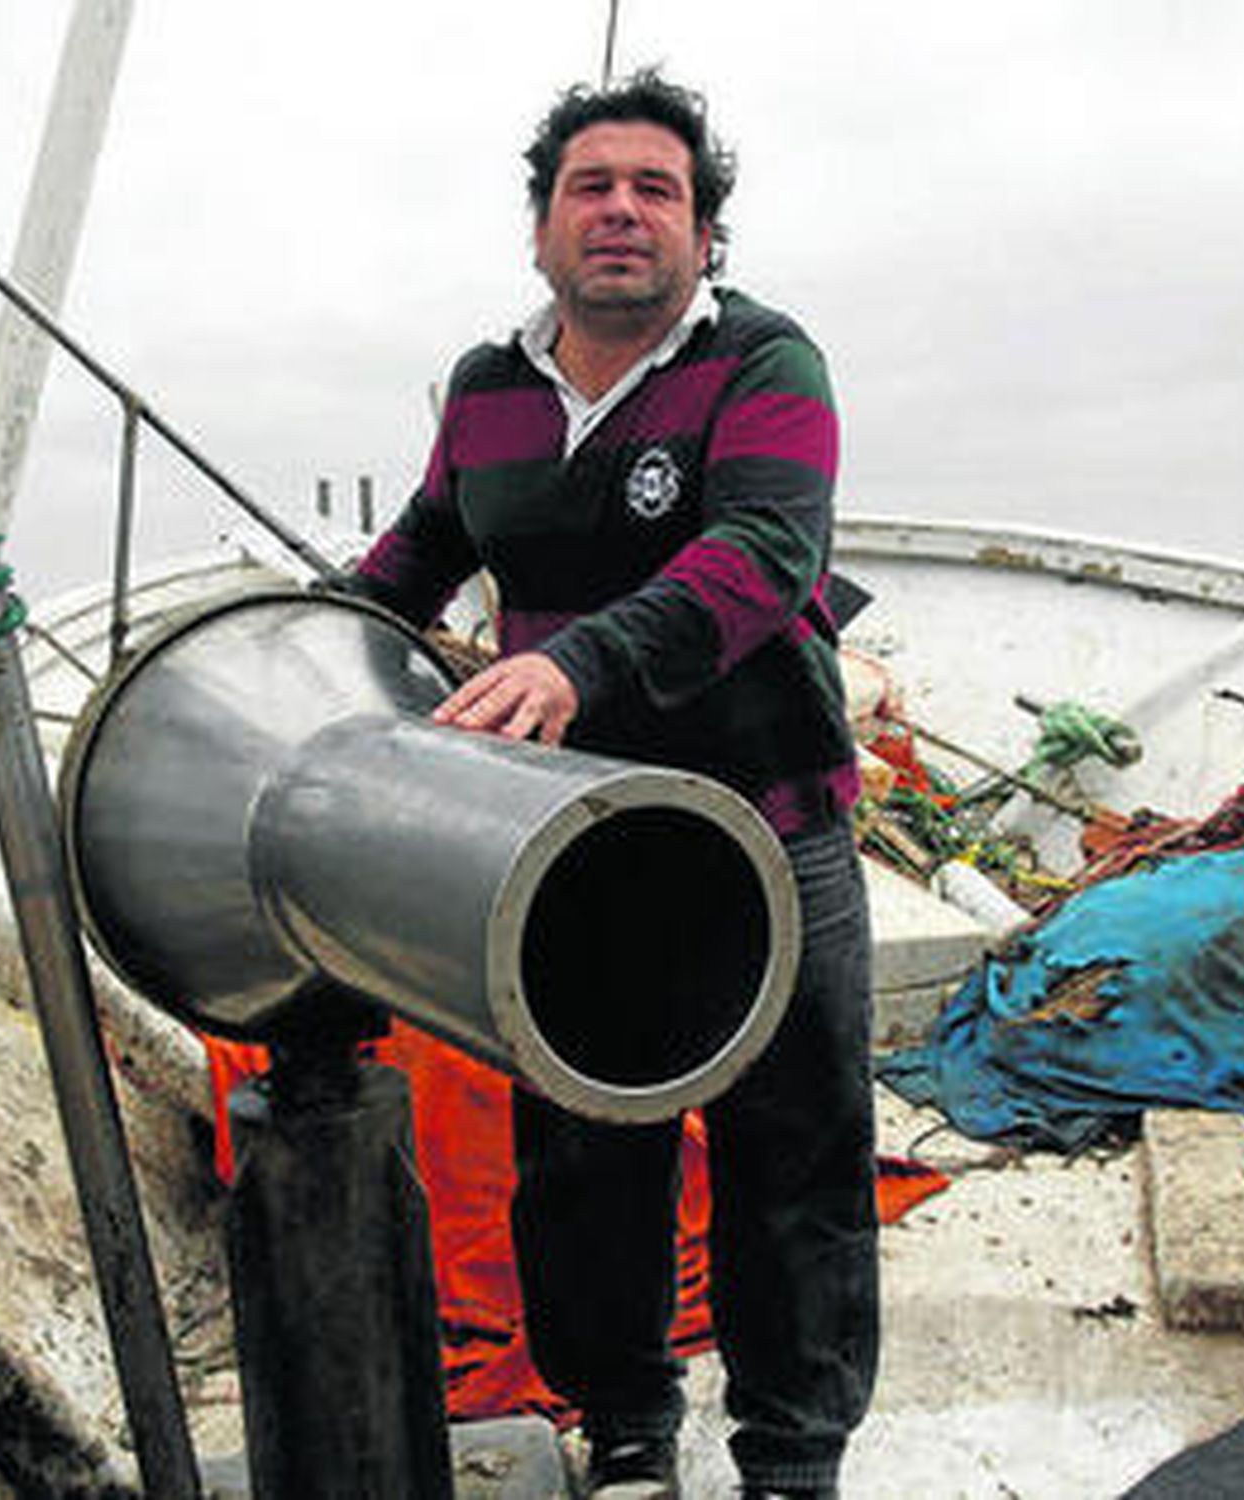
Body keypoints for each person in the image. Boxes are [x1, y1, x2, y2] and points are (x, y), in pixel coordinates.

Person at [341, 69, 877, 1500]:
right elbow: (408, 567)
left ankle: (791, 1458)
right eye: (593, 186)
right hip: (575, 851)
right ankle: (627, 1423)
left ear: (705, 235)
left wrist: (581, 664)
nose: (623, 211)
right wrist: (300, 652)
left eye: (658, 190)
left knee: (795, 1163)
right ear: (542, 230)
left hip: (771, 836)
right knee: (582, 1164)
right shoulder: (487, 393)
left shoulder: (766, 365)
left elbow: (764, 556)